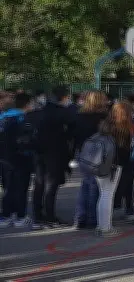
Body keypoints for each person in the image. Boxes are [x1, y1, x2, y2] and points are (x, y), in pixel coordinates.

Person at [30, 86, 76, 229]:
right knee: (51, 185)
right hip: (55, 152)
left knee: (39, 184)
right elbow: (71, 130)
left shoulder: (39, 112)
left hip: (39, 152)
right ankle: (50, 216)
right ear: (64, 97)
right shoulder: (63, 113)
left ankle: (37, 216)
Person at [95, 101, 134, 237]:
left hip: (99, 163)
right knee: (107, 195)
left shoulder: (104, 125)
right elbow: (125, 151)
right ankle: (106, 228)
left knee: (102, 194)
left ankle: (101, 225)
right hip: (114, 165)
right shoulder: (123, 128)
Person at [0, 93, 37, 228]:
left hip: (4, 158)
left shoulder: (3, 118)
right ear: (27, 103)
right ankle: (20, 216)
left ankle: (6, 215)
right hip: (21, 158)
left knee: (8, 188)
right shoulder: (23, 119)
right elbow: (28, 140)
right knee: (21, 188)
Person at [73, 91, 108, 229]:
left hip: (83, 152)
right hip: (98, 153)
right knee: (96, 186)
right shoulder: (103, 117)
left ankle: (80, 216)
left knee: (85, 184)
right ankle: (92, 217)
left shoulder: (79, 116)